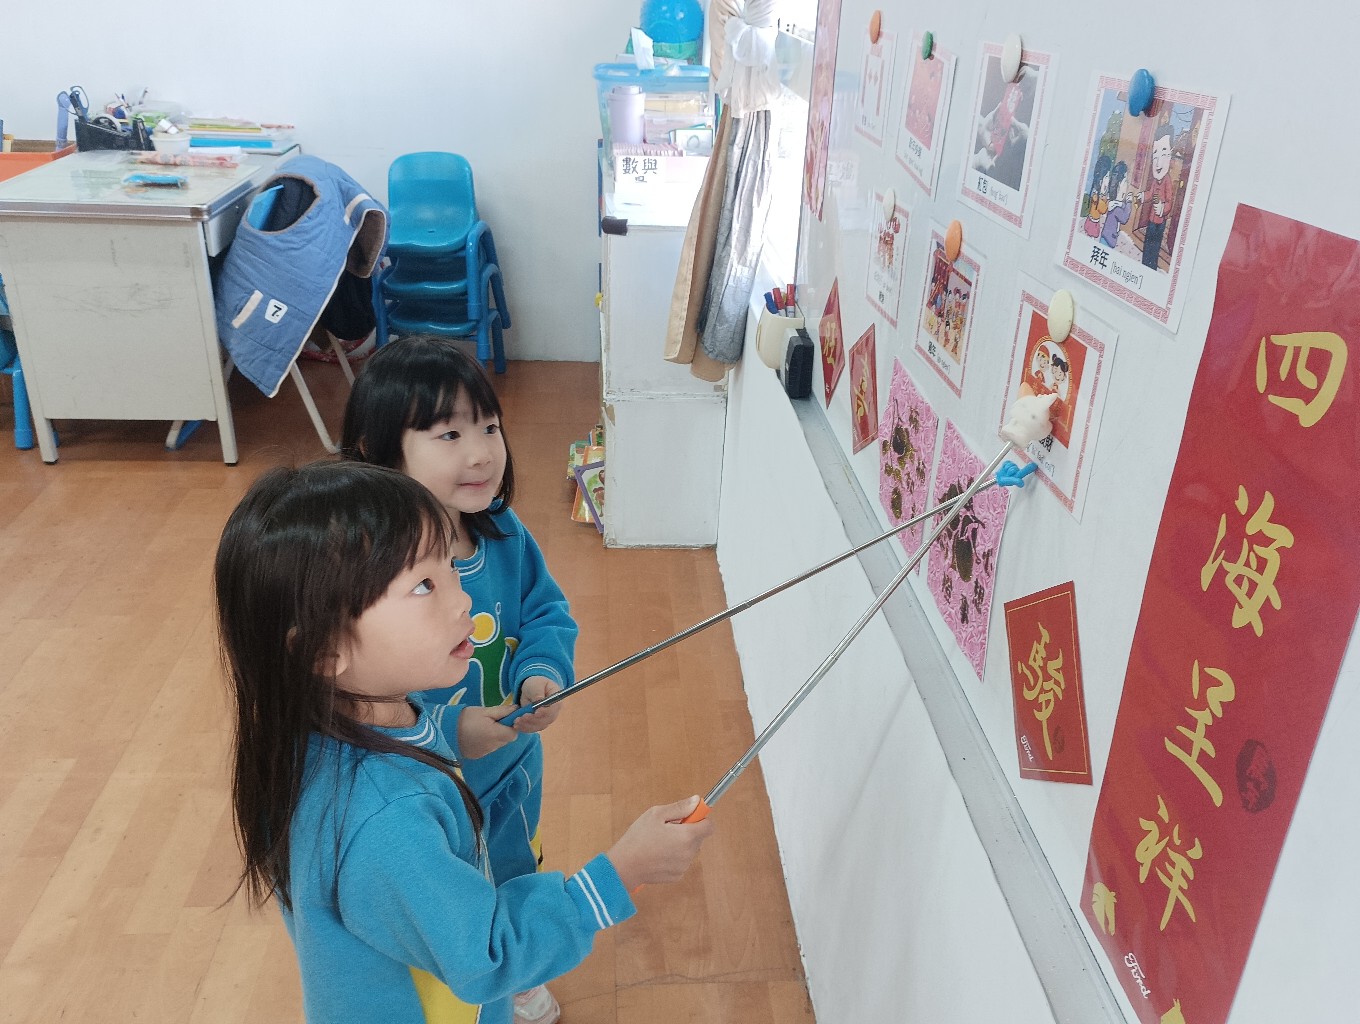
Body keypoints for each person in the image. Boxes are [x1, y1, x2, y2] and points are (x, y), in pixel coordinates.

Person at [214, 461, 714, 1024]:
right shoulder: (387, 824)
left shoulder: (336, 717)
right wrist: (622, 872)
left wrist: (460, 730)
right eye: (422, 586)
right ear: (324, 651)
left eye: (450, 567)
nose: (462, 602)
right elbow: (488, 956)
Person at [340, 335, 576, 1022]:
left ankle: (518, 971)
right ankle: (475, 976)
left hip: (512, 768)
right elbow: (362, 696)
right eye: (449, 434)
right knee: (451, 905)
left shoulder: (503, 531)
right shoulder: (372, 572)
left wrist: (540, 673)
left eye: (489, 427)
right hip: (430, 790)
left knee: (515, 866)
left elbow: (545, 610)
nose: (481, 453)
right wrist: (451, 730)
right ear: (379, 454)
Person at [1141, 123, 1176, 270]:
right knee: (1148, 242)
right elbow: (1150, 193)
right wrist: (1142, 196)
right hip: (1151, 218)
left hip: (1160, 221)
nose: (1158, 162)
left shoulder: (1167, 181)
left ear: (1171, 154)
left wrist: (1163, 208)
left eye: (1163, 154)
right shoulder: (1155, 181)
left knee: (1155, 244)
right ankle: (1145, 262)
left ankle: (1151, 265)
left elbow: (1169, 201)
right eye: (1155, 156)